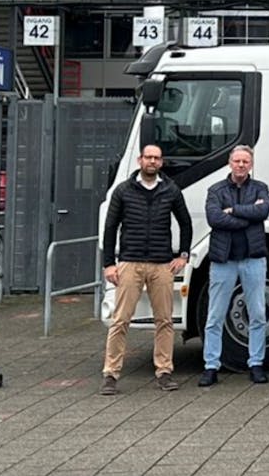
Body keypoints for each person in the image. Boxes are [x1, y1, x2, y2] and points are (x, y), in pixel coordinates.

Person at [98, 143, 192, 395]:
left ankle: (164, 371)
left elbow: (185, 222)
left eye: (157, 158)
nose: (152, 161)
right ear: (140, 160)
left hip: (162, 264)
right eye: (148, 157)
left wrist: (183, 255)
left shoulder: (170, 189)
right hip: (130, 262)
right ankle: (110, 374)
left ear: (161, 163)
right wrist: (109, 263)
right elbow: (110, 228)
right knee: (120, 320)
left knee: (165, 320)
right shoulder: (123, 191)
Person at [199, 144, 269, 387]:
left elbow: (263, 211)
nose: (241, 165)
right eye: (237, 161)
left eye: (245, 162)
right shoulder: (215, 190)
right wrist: (245, 219)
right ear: (229, 163)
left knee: (258, 314)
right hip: (224, 260)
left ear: (250, 164)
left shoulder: (260, 188)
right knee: (215, 316)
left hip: (253, 259)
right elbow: (214, 218)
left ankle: (256, 364)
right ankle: (211, 366)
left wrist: (234, 211)